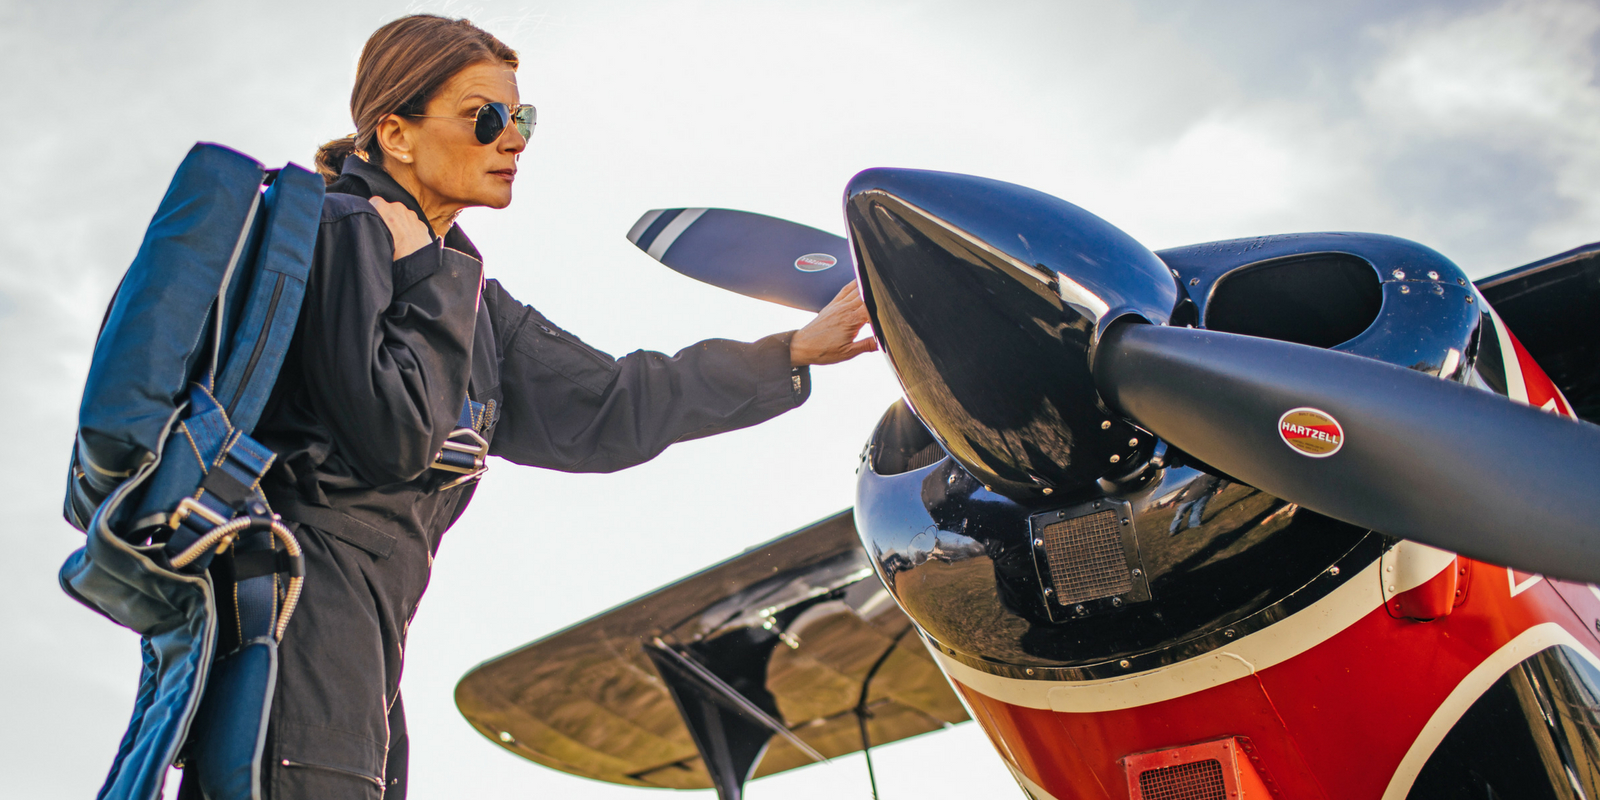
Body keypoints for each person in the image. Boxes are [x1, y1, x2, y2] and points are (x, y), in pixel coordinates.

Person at [196, 14, 876, 799]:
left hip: (369, 630)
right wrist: (427, 272)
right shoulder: (337, 232)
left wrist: (787, 353)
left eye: (522, 119)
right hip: (299, 610)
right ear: (397, 133)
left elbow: (610, 405)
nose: (514, 140)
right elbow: (395, 437)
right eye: (486, 118)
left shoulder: (468, 297)